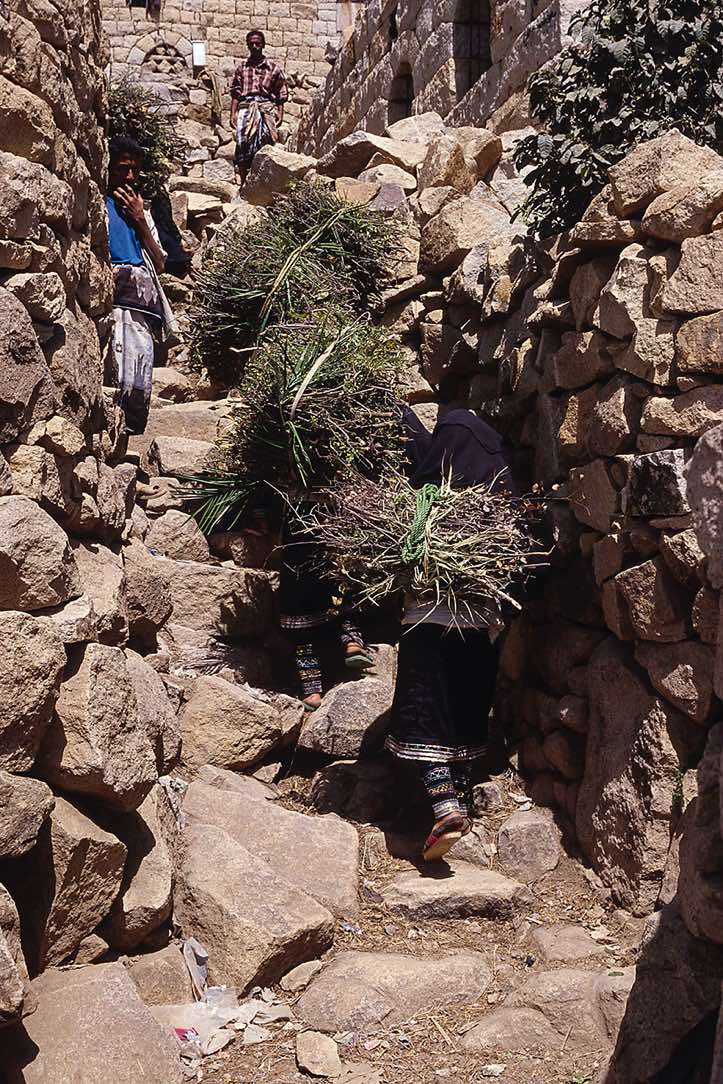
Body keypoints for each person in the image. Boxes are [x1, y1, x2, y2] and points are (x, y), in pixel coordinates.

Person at [385, 373, 515, 862]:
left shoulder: (426, 504)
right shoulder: (499, 498)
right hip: (481, 627)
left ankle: (442, 807)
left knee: (425, 712)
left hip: (428, 622)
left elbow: (417, 452)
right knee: (462, 710)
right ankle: (460, 803)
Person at [106, 135, 173, 435]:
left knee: (138, 371)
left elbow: (159, 261)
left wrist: (140, 220)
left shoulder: (139, 212)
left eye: (134, 170)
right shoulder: (100, 205)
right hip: (114, 303)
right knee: (115, 372)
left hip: (140, 307)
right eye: (122, 169)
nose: (130, 177)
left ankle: (125, 441)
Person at [230, 30, 289, 186]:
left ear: (263, 45)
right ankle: (242, 181)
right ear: (248, 46)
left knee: (266, 140)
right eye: (251, 44)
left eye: (257, 43)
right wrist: (233, 114)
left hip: (266, 107)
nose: (254, 46)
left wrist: (280, 113)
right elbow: (235, 92)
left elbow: (281, 91)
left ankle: (263, 182)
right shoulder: (241, 68)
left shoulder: (273, 69)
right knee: (243, 141)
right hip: (246, 106)